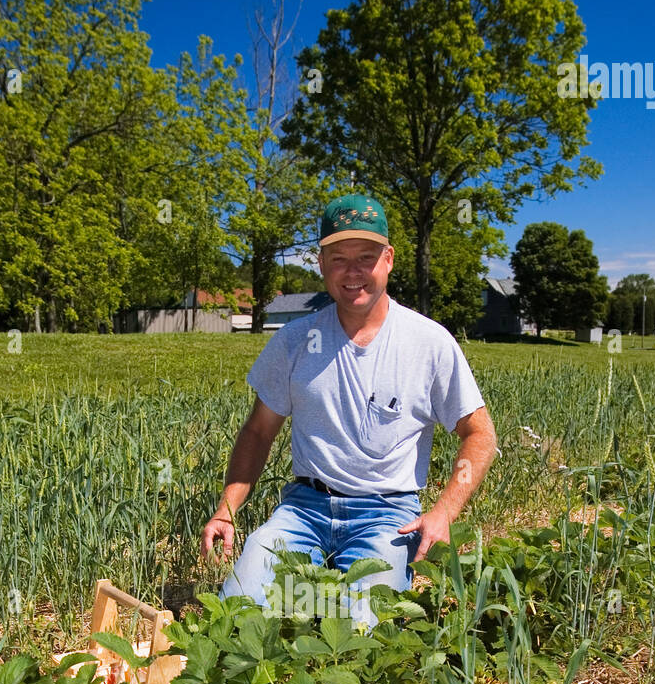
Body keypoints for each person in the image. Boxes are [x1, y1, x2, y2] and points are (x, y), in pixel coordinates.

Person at [200, 193, 497, 620]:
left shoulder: (429, 343)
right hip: (303, 507)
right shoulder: (294, 341)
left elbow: (480, 434)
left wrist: (444, 512)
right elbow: (258, 431)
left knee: (363, 631)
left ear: (389, 259)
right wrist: (227, 509)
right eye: (339, 258)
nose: (353, 272)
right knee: (237, 614)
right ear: (320, 264)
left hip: (387, 516)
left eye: (366, 257)